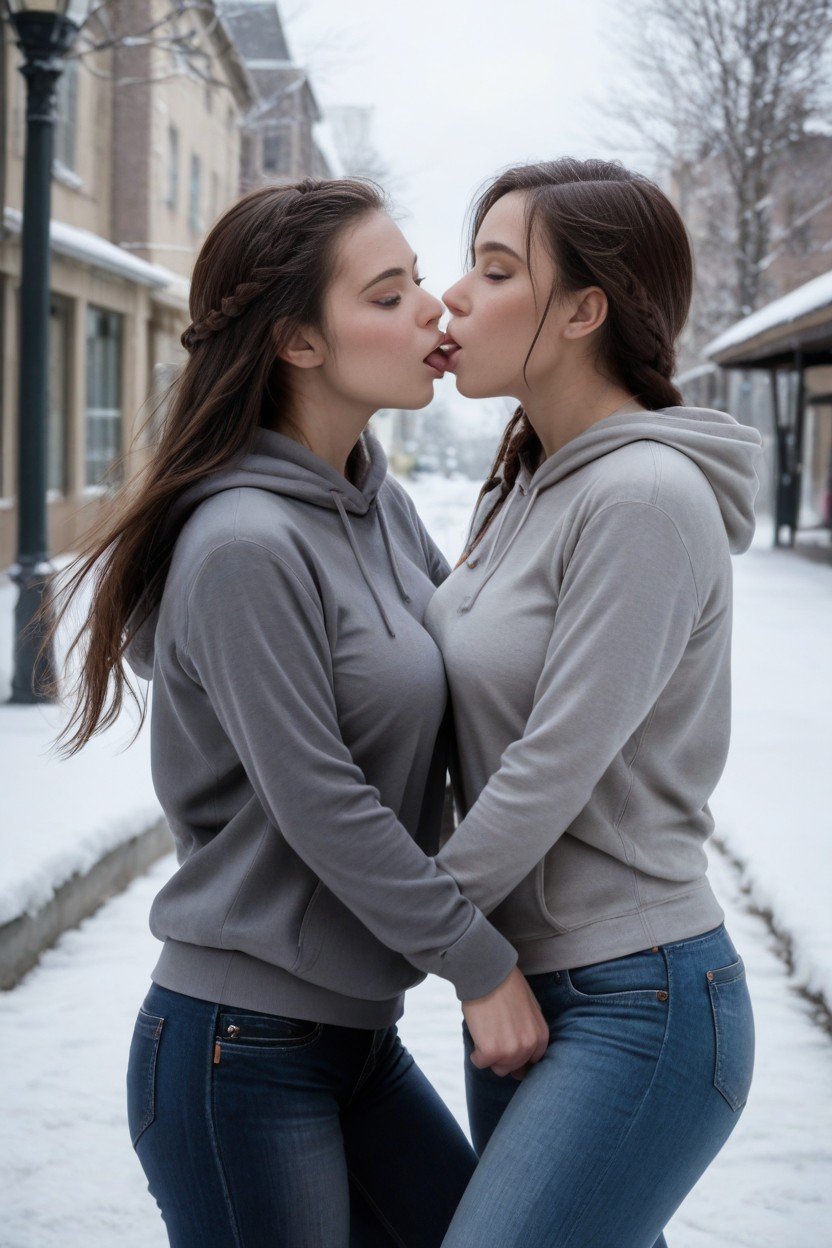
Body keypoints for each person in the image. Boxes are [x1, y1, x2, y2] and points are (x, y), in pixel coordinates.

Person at [45, 178, 549, 1248]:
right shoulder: (243, 545)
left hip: (352, 1041)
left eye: (417, 280)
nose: (431, 309)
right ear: (298, 344)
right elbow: (321, 800)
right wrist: (479, 962)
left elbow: (477, 694)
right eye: (386, 293)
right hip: (241, 1049)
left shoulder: (379, 506)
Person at [425, 158, 762, 1248]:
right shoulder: (530, 482)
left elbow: (547, 767)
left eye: (491, 269)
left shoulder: (643, 497)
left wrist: (401, 931)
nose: (453, 297)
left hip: (641, 1003)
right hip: (526, 987)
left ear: (582, 309)